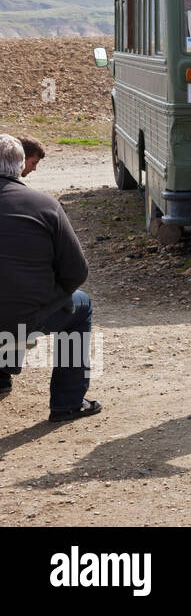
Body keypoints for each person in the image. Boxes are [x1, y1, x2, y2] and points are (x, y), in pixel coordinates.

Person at [0, 134, 99, 421]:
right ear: (21, 167)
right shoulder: (45, 205)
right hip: (28, 316)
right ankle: (68, 402)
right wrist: (51, 295)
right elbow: (76, 272)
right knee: (80, 307)